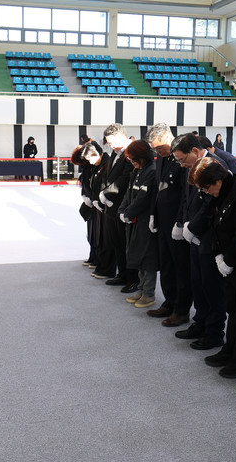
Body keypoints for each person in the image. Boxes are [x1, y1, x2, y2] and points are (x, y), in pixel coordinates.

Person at [191, 158, 236, 379]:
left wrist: (228, 260)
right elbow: (216, 224)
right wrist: (219, 255)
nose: (207, 192)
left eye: (207, 188)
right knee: (231, 306)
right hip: (228, 259)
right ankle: (229, 349)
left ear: (218, 180)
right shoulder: (221, 193)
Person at [171, 133, 227, 350]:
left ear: (194, 151)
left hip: (209, 236)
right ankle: (200, 323)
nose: (181, 164)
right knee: (198, 283)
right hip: (194, 235)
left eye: (182, 159)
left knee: (211, 287)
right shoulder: (193, 166)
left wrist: (193, 227)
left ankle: (214, 332)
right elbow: (187, 199)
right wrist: (182, 223)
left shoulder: (214, 165)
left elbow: (211, 203)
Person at [145, 123, 192, 327]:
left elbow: (185, 194)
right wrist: (153, 214)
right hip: (163, 221)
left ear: (168, 138)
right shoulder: (162, 158)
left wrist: (180, 221)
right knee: (165, 265)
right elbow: (158, 189)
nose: (158, 152)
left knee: (180, 268)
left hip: (176, 225)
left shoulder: (181, 158)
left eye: (159, 147)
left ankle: (181, 309)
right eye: (154, 149)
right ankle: (169, 302)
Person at [119, 140, 159, 309]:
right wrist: (122, 211)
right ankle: (142, 289)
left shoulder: (151, 171)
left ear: (142, 156)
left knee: (147, 258)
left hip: (145, 221)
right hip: (135, 220)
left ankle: (148, 293)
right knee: (136, 256)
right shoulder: (137, 170)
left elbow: (143, 198)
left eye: (134, 159)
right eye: (130, 159)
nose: (132, 162)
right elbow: (128, 194)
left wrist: (128, 213)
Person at [97, 124, 137, 291]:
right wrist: (103, 194)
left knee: (127, 244)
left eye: (111, 142)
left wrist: (108, 193)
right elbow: (108, 176)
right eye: (108, 143)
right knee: (117, 242)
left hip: (124, 204)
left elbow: (125, 178)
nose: (110, 146)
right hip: (111, 206)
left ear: (121, 137)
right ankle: (122, 274)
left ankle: (133, 279)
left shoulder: (132, 151)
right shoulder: (115, 153)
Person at [83, 142, 116, 280]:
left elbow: (105, 184)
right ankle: (100, 264)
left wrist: (99, 199)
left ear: (98, 153)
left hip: (105, 206)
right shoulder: (97, 166)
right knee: (97, 236)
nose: (90, 162)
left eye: (91, 158)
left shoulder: (106, 164)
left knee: (105, 238)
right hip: (97, 205)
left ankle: (107, 268)